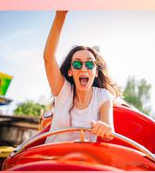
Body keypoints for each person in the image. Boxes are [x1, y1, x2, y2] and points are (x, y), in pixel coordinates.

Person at [43, 11, 118, 143]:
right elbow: (48, 57)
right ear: (70, 71)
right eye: (77, 64)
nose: (84, 68)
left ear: (95, 72)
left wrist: (104, 128)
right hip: (52, 158)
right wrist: (61, 15)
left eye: (89, 64)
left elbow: (109, 132)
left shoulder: (103, 96)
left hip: (82, 160)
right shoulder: (63, 91)